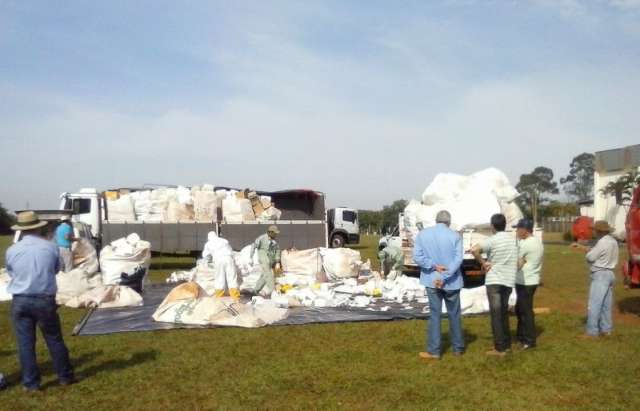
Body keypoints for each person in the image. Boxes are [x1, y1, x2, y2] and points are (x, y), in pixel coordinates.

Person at [6, 211, 76, 391]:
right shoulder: (50, 247)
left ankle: (31, 383)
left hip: (20, 299)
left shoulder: (12, 250)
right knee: (54, 339)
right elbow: (56, 269)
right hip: (44, 299)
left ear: (21, 230)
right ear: (39, 227)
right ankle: (65, 376)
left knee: (25, 343)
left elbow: (12, 272)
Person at [413, 210, 464, 360]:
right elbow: (458, 259)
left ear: (436, 220)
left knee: (434, 315)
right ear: (448, 222)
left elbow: (417, 257)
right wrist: (446, 276)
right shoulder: (455, 236)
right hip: (452, 282)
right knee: (454, 314)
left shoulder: (423, 234)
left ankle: (434, 351)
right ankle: (458, 348)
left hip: (431, 280)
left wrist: (434, 266)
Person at [471, 213, 518, 357]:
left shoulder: (492, 240)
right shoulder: (512, 240)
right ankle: (506, 344)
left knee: (496, 315)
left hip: (494, 281)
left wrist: (483, 263)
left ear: (492, 226)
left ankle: (499, 348)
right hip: (508, 280)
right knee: (503, 313)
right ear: (505, 225)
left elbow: (474, 250)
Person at [572, 221, 619, 338]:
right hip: (609, 274)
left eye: (594, 230)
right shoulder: (613, 241)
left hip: (600, 274)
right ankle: (606, 329)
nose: (592, 231)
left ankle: (592, 332)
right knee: (606, 305)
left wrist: (587, 252)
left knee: (594, 304)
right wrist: (584, 248)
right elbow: (598, 252)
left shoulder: (602, 242)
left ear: (598, 231)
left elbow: (591, 257)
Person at [514, 219, 543, 349]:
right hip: (530, 280)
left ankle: (529, 340)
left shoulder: (526, 244)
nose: (516, 231)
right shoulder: (536, 241)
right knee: (520, 309)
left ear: (525, 230)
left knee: (525, 312)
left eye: (518, 229)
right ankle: (521, 335)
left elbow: (515, 260)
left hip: (526, 281)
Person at [202, 231, 240, 300]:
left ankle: (219, 297)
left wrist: (207, 262)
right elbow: (230, 250)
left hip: (218, 260)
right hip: (229, 259)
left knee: (220, 278)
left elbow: (205, 255)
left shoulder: (208, 244)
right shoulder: (224, 240)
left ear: (208, 237)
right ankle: (235, 297)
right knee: (232, 277)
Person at [250, 225, 282, 297]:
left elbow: (277, 251)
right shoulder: (262, 238)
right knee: (269, 273)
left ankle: (255, 290)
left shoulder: (274, 242)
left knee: (264, 276)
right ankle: (273, 291)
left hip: (270, 261)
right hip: (263, 258)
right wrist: (251, 257)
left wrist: (277, 262)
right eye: (275, 233)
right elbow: (253, 245)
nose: (276, 235)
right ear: (270, 232)